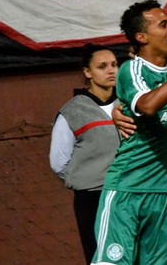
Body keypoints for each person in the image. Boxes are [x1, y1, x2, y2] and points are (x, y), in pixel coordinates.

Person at [90, 0, 167, 265]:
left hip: (165, 192)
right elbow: (147, 105)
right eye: (163, 25)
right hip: (128, 191)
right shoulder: (132, 70)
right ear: (142, 37)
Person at [49, 44, 120, 265]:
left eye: (114, 65)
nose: (111, 71)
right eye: (102, 66)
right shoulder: (72, 112)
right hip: (93, 198)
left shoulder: (130, 102)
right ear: (87, 73)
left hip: (130, 192)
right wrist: (88, 179)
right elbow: (59, 163)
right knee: (101, 258)